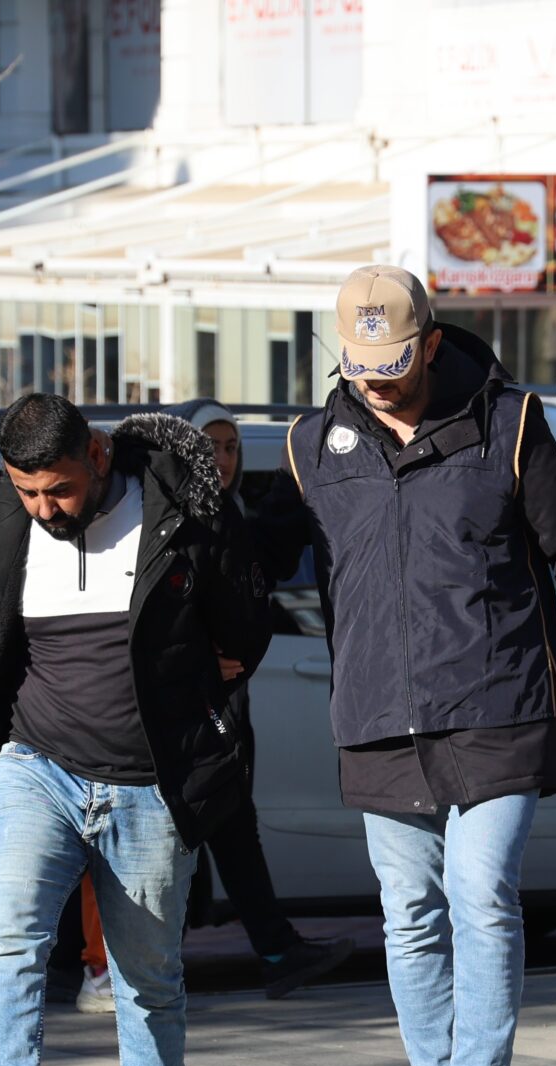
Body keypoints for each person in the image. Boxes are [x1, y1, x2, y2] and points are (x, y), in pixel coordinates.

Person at [286, 265, 556, 1066]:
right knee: (407, 911)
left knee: (480, 895)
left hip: (497, 700)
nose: (376, 381)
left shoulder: (509, 424)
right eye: (360, 365)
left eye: (394, 363)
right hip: (376, 710)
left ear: (432, 342)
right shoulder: (311, 444)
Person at [0, 395, 267, 1066]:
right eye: (26, 492)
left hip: (150, 783)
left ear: (95, 455)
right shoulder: (2, 519)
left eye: (55, 490)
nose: (43, 509)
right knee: (9, 937)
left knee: (148, 975)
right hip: (37, 765)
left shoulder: (178, 509)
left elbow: (248, 618)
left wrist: (211, 679)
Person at [168, 397, 356, 999]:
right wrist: (200, 661)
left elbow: (263, 569)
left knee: (232, 826)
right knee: (203, 832)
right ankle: (98, 962)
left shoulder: (230, 510)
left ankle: (277, 948)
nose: (220, 458)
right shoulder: (168, 516)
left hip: (224, 709)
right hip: (180, 714)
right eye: (209, 446)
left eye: (230, 447)